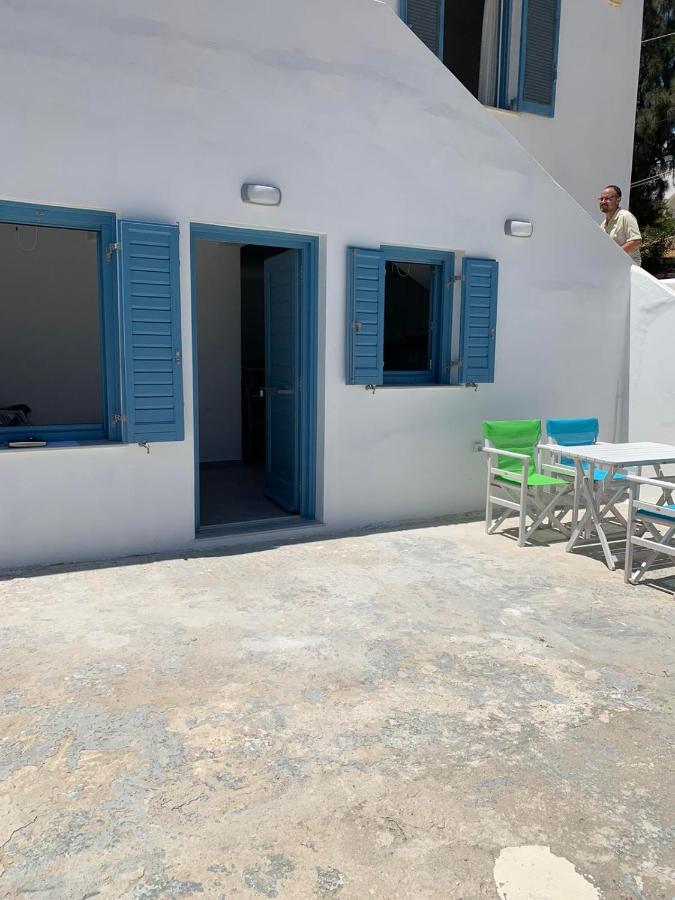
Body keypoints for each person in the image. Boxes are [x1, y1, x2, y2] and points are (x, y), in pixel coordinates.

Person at [599, 185, 642, 265]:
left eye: (607, 198)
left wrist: (615, 255)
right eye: (601, 199)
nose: (603, 201)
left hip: (629, 267)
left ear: (618, 200)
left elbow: (636, 241)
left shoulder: (625, 216)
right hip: (613, 267)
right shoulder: (603, 224)